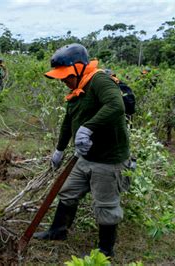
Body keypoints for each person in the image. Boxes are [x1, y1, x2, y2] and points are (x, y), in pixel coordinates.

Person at [34, 43, 131, 258]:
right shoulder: (76, 90)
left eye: (66, 75)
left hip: (108, 159)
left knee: (105, 204)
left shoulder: (99, 80)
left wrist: (88, 128)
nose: (63, 80)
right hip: (84, 157)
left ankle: (105, 250)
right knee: (67, 192)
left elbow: (116, 106)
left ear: (79, 68)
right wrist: (59, 150)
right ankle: (58, 231)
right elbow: (68, 122)